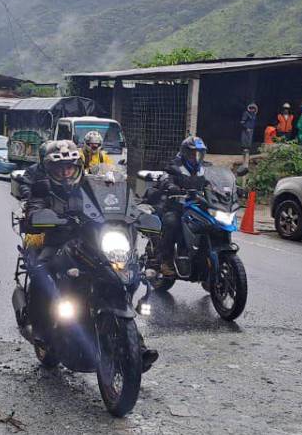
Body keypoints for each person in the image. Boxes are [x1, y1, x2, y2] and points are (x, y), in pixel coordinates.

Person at [17, 140, 157, 370]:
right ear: (50, 170)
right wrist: (40, 216)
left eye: (70, 167)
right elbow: (34, 208)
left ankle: (134, 344)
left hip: (88, 241)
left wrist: (136, 212)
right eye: (59, 169)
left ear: (78, 166)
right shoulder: (43, 188)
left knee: (121, 274)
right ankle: (40, 330)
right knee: (41, 270)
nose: (65, 173)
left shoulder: (91, 184)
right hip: (57, 241)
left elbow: (114, 201)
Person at [146, 137, 209, 277]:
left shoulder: (205, 168)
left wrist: (228, 189)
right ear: (185, 153)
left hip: (197, 206)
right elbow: (165, 178)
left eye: (199, 153)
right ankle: (165, 261)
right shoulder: (175, 166)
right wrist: (170, 186)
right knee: (171, 222)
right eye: (193, 153)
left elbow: (214, 181)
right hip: (176, 206)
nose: (196, 157)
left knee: (211, 223)